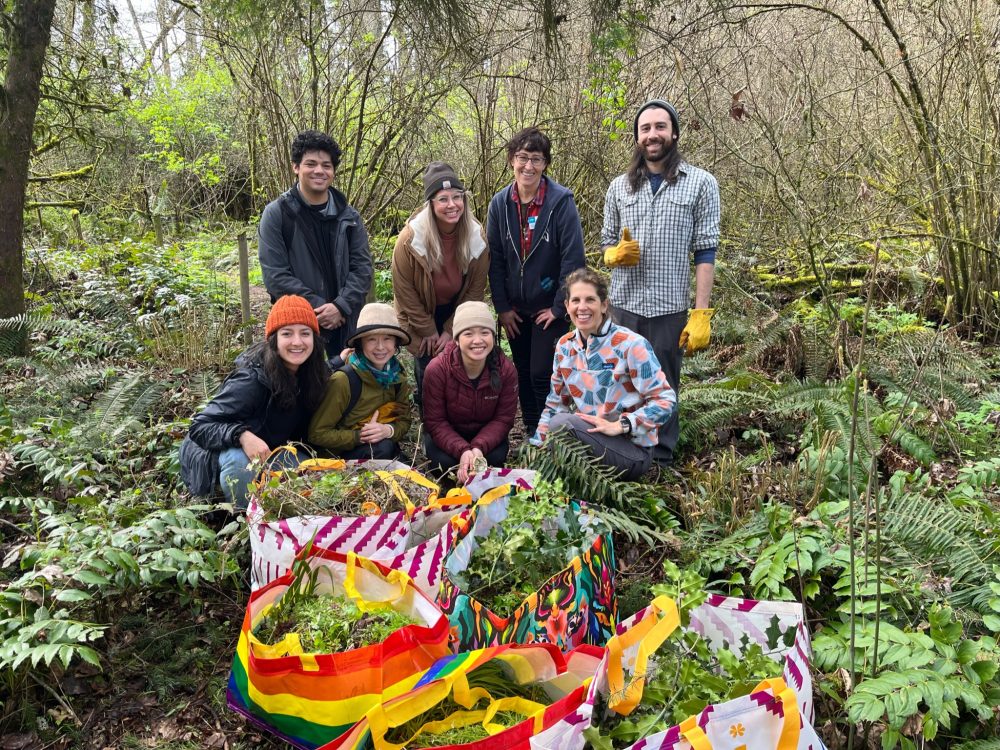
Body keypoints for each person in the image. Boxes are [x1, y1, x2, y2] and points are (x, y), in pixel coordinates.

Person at [601, 99, 720, 465]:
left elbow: (705, 251)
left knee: (663, 386)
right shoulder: (620, 188)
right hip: (624, 307)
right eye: (645, 129)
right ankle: (623, 453)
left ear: (674, 133)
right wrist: (613, 255)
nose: (653, 135)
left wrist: (701, 313)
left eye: (660, 127)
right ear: (637, 138)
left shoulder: (701, 184)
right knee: (621, 382)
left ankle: (661, 460)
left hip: (669, 309)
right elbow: (605, 242)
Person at [179, 295, 330, 508]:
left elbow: (330, 370)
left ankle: (281, 510)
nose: (297, 342)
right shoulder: (251, 379)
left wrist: (343, 359)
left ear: (314, 339)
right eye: (287, 333)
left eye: (305, 333)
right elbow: (200, 426)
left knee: (317, 473)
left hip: (269, 450)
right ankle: (245, 519)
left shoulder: (310, 373)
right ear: (274, 339)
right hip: (219, 453)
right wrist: (241, 435)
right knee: (239, 465)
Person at [530, 269, 676, 481]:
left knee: (562, 425)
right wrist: (535, 449)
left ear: (604, 304)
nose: (582, 307)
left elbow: (665, 400)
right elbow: (555, 404)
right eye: (576, 300)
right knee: (556, 427)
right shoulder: (565, 346)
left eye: (590, 299)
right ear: (567, 306)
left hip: (632, 451)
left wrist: (622, 424)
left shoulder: (630, 345)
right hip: (591, 441)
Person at [487, 127, 586, 435]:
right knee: (523, 372)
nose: (528, 166)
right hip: (515, 308)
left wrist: (560, 307)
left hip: (550, 306)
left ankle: (549, 433)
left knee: (544, 372)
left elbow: (573, 259)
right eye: (522, 157)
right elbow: (496, 260)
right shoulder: (500, 204)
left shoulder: (561, 202)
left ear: (545, 164)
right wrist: (502, 307)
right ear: (510, 160)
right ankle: (532, 430)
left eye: (536, 159)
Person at [258, 130, 374, 357]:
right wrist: (320, 309)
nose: (319, 170)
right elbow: (276, 276)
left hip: (346, 324)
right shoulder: (277, 215)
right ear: (296, 167)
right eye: (311, 164)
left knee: (344, 386)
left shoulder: (349, 217)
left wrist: (340, 306)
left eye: (326, 165)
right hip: (299, 329)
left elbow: (362, 269)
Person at [392, 162, 489, 408]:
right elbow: (403, 290)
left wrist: (450, 329)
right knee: (428, 366)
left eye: (457, 197)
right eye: (443, 199)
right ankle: (429, 422)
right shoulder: (410, 240)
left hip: (457, 308)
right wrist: (428, 330)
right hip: (420, 311)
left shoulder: (476, 236)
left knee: (459, 363)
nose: (452, 205)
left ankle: (459, 415)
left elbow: (475, 291)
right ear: (431, 204)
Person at [421, 301, 518, 483]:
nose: (478, 340)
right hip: (449, 435)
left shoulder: (506, 369)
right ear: (456, 339)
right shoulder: (437, 369)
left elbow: (503, 419)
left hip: (485, 435)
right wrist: (462, 450)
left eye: (484, 332)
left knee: (495, 458)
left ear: (493, 336)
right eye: (468, 334)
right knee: (446, 463)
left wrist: (478, 448)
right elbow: (435, 421)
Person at [308, 303, 412, 460]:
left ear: (396, 343)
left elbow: (404, 420)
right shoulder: (343, 380)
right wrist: (359, 436)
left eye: (387, 338)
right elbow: (317, 434)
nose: (380, 347)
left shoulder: (397, 375)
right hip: (340, 456)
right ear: (360, 343)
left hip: (380, 445)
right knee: (383, 448)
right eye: (371, 339)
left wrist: (388, 430)